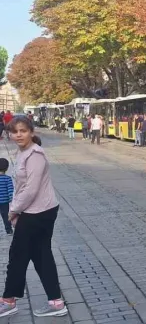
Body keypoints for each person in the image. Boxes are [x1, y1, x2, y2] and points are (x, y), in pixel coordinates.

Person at [0, 116, 68, 318]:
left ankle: (8, 300)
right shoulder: (23, 153)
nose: (19, 135)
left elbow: (30, 189)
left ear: (31, 132)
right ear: (9, 134)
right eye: (15, 131)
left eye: (23, 130)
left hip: (38, 212)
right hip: (37, 210)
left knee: (17, 256)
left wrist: (14, 210)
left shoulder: (35, 155)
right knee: (41, 256)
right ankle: (56, 302)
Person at [0, 158, 14, 235]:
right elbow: (10, 191)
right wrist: (12, 200)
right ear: (7, 168)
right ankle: (8, 230)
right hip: (4, 202)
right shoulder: (8, 179)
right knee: (6, 216)